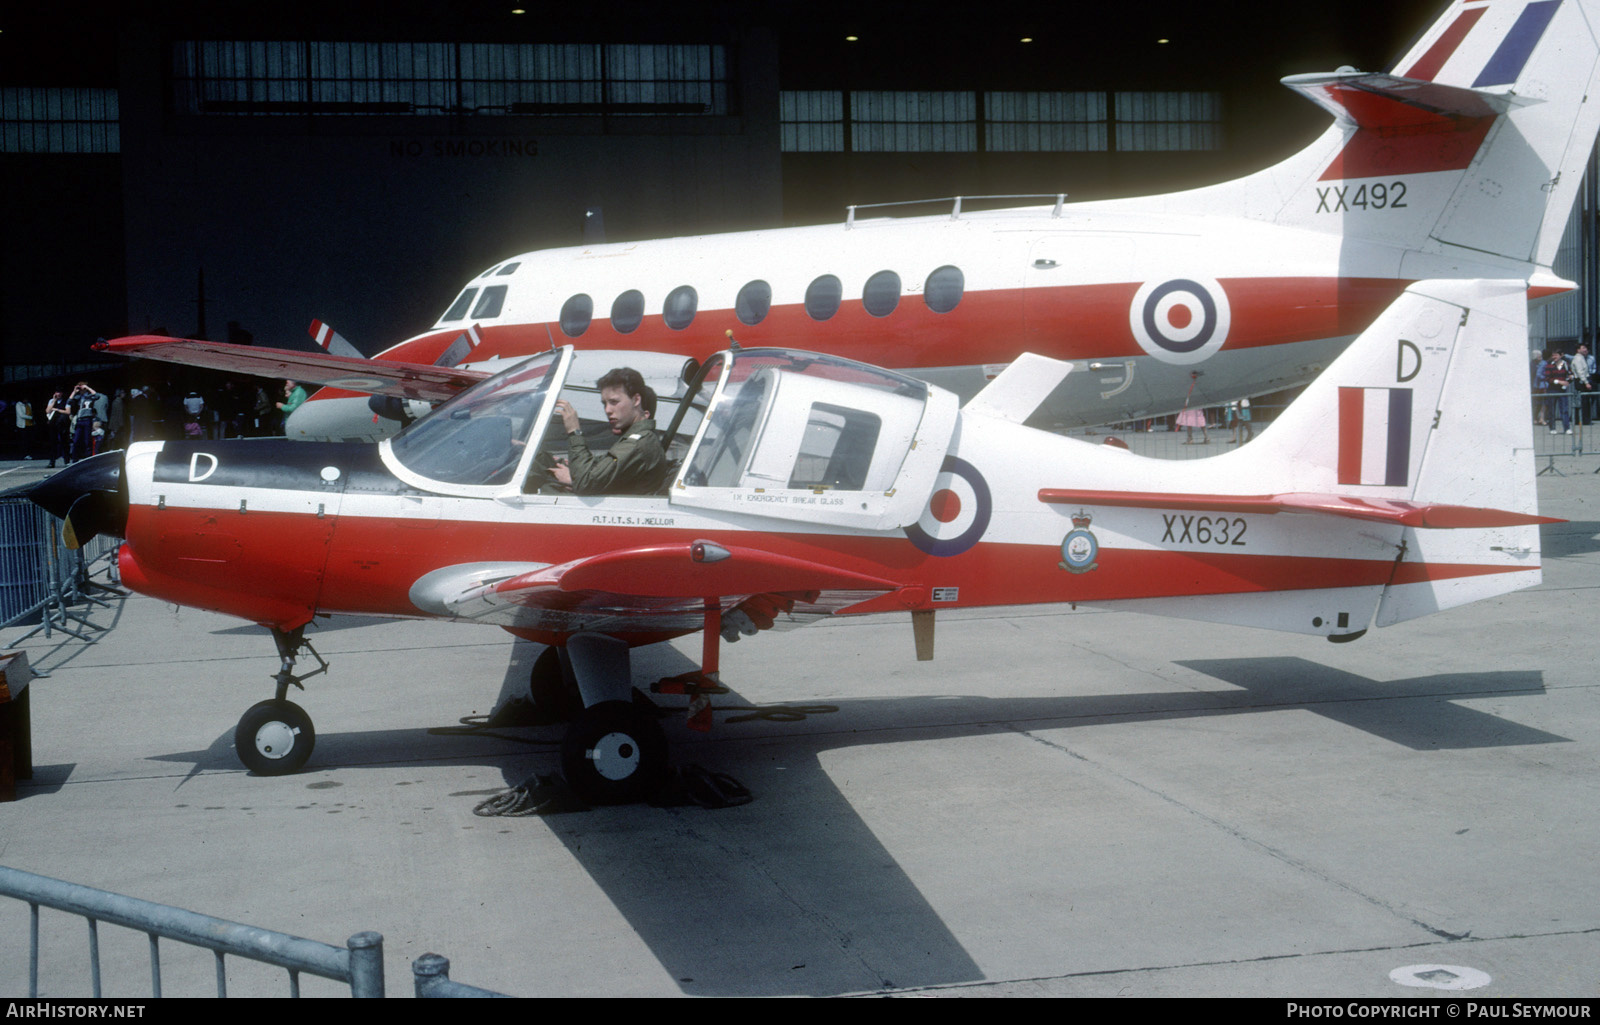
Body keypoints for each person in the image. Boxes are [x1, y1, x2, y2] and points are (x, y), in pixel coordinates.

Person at [548, 367, 666, 495]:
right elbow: (603, 467)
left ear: (636, 400)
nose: (607, 410)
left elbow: (585, 482)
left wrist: (574, 431)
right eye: (605, 403)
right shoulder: (637, 439)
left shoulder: (637, 444)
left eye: (614, 402)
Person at [1540, 349, 1572, 434]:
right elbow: (1547, 378)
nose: (1554, 357)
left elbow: (1570, 374)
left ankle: (1567, 428)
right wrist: (1559, 381)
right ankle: (1552, 428)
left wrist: (1568, 380)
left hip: (1562, 390)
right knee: (1552, 409)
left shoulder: (1566, 364)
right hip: (1552, 389)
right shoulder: (1549, 365)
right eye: (1553, 355)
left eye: (1556, 355)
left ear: (1561, 355)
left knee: (1564, 409)